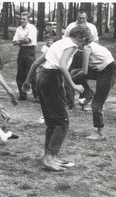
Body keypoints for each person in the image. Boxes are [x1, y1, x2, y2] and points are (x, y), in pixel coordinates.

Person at [22, 25, 90, 172]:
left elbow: (35, 63)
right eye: (83, 44)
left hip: (43, 78)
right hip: (53, 79)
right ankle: (49, 158)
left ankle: (50, 156)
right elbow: (62, 66)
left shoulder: (58, 42)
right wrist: (73, 85)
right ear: (80, 38)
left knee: (51, 122)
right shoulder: (71, 45)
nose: (81, 47)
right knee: (62, 122)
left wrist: (27, 81)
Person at [71, 41, 116, 140]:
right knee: (75, 72)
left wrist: (69, 79)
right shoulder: (92, 45)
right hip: (101, 70)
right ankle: (88, 93)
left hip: (108, 72)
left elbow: (84, 71)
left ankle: (99, 133)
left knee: (97, 103)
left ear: (81, 39)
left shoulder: (87, 48)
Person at [64, 9, 98, 109]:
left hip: (85, 54)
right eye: (80, 18)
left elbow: (96, 42)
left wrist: (92, 55)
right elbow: (65, 39)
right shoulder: (71, 26)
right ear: (77, 17)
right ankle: (69, 102)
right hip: (72, 53)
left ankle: (84, 99)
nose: (82, 20)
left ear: (86, 17)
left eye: (83, 18)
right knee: (69, 75)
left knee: (82, 76)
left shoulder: (92, 27)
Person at [13, 12, 38, 101]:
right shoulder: (18, 29)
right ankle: (22, 95)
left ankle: (37, 95)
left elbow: (28, 40)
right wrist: (23, 40)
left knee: (32, 73)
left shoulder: (32, 28)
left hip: (30, 51)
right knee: (20, 73)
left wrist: (20, 41)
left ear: (28, 19)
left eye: (24, 19)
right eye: (21, 19)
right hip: (22, 51)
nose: (22, 20)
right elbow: (14, 42)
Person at [36, 37, 54, 124]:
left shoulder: (54, 49)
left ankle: (48, 116)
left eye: (51, 40)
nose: (49, 41)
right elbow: (39, 61)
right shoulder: (45, 49)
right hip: (45, 69)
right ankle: (45, 116)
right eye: (48, 40)